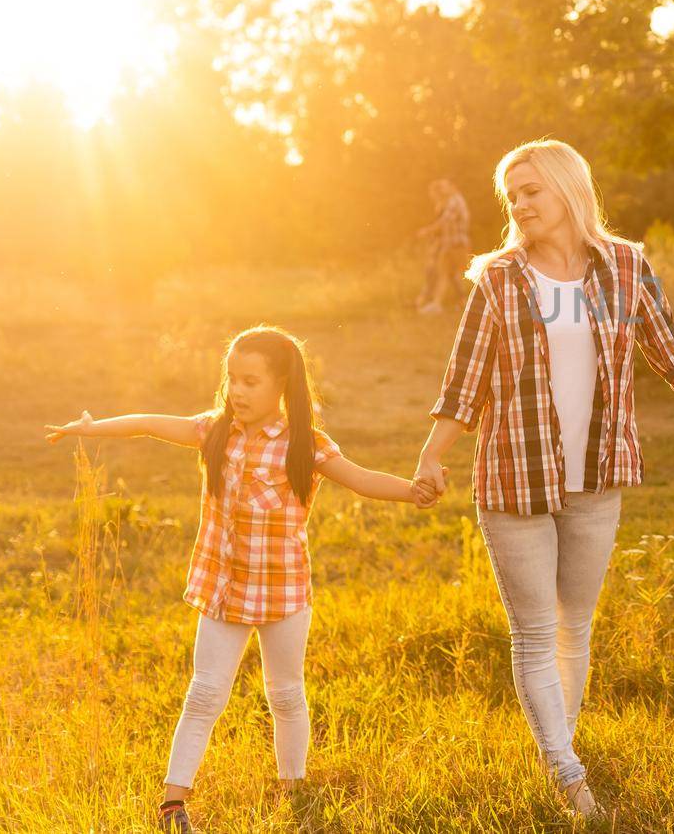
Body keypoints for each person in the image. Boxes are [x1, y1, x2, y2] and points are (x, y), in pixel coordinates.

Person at [409, 139, 674, 820]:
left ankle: (556, 748)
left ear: (568, 189)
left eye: (530, 190)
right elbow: (464, 379)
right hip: (515, 475)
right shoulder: (499, 278)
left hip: (598, 475)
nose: (518, 204)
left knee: (576, 623)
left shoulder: (626, 266)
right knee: (535, 630)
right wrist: (432, 455)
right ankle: (569, 774)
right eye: (511, 194)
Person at [44, 326, 430, 833]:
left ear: (282, 385)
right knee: (204, 692)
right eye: (232, 379)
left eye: (251, 381)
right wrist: (92, 429)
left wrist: (414, 491)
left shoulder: (305, 444)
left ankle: (293, 789)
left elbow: (362, 479)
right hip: (223, 588)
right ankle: (172, 805)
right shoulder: (214, 430)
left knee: (286, 694)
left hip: (284, 591)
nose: (238, 391)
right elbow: (150, 424)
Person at [416, 178, 472, 315]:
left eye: (445, 186)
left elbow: (444, 221)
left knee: (446, 273)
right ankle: (464, 302)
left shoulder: (455, 201)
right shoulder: (454, 200)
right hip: (453, 243)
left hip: (456, 243)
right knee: (452, 274)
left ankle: (437, 304)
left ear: (453, 186)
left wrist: (427, 231)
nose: (442, 189)